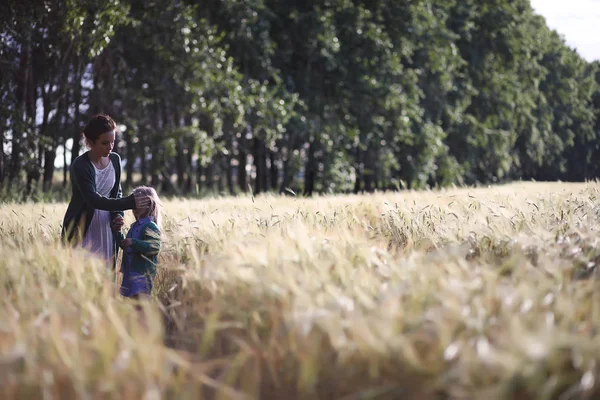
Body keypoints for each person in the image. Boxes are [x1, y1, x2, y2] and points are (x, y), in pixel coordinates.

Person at [61, 113, 150, 269]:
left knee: (106, 274)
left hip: (107, 227)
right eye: (104, 143)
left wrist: (117, 216)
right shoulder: (80, 164)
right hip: (83, 227)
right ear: (90, 142)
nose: (110, 147)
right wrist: (129, 203)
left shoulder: (115, 160)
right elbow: (93, 200)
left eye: (113, 142)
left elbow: (117, 193)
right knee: (82, 274)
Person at [116, 186, 162, 300]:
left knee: (141, 303)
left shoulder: (151, 226)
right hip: (130, 271)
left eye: (139, 203)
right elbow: (125, 245)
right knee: (134, 304)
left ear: (150, 204)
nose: (135, 206)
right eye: (133, 203)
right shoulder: (135, 226)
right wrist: (117, 231)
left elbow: (154, 247)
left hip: (142, 274)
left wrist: (133, 242)